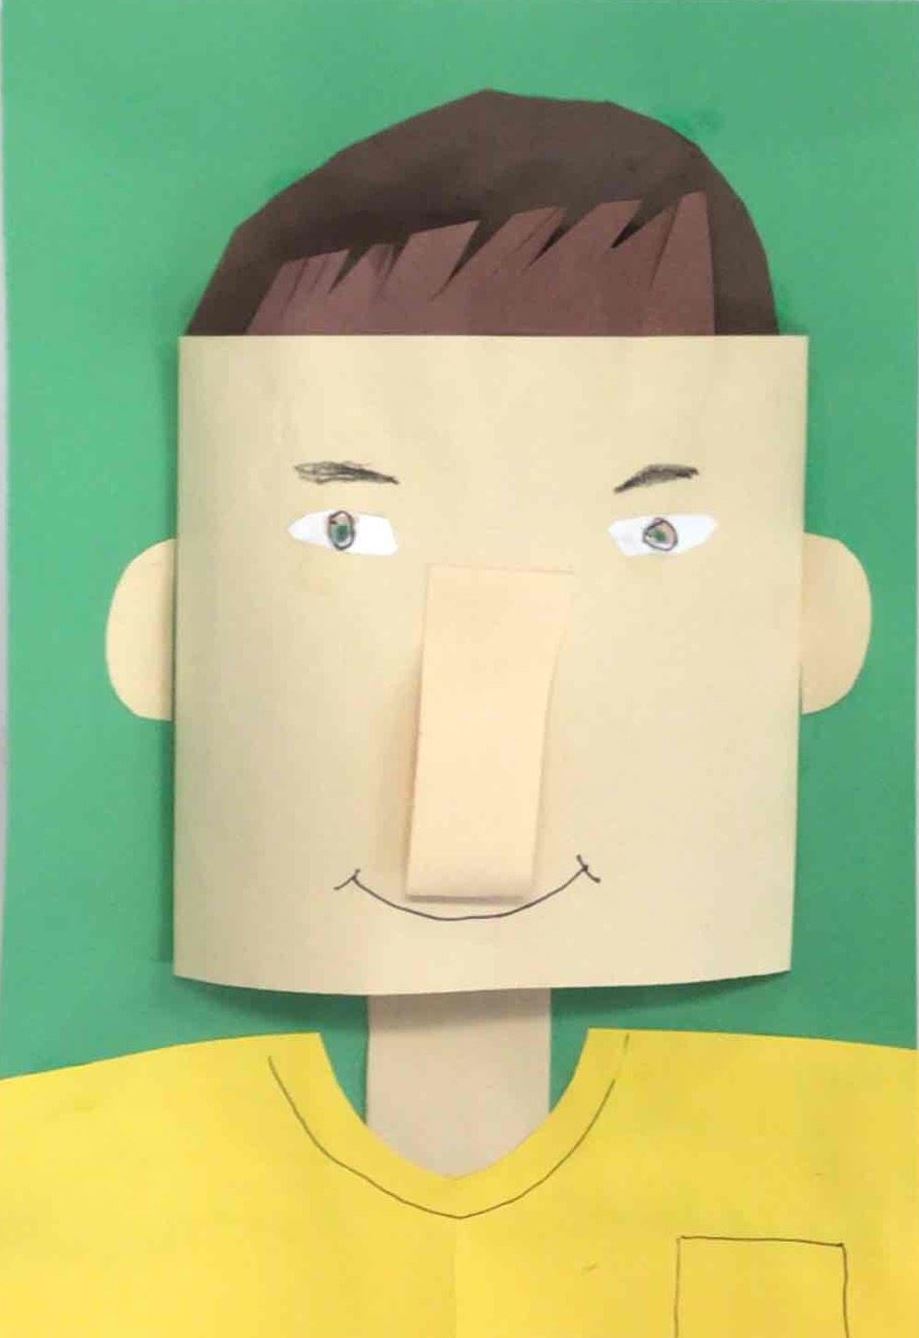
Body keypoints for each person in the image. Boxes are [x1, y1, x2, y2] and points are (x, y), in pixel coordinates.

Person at [1, 91, 915, 1337]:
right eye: (341, 530)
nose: (481, 698)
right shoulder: (60, 1182)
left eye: (654, 532)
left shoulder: (872, 1161)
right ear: (160, 626)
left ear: (814, 620)